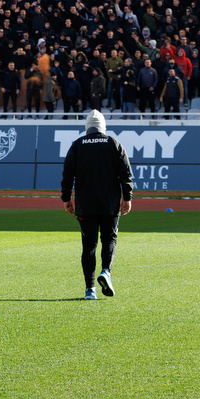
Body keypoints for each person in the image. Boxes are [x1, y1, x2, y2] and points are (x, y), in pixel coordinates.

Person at [60, 109, 133, 300]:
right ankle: (106, 271)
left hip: (86, 204)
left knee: (89, 246)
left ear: (87, 128)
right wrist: (127, 198)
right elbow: (126, 174)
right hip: (110, 203)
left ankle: (90, 290)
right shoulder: (114, 144)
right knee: (109, 239)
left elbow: (67, 175)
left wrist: (66, 199)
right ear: (103, 127)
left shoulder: (77, 145)